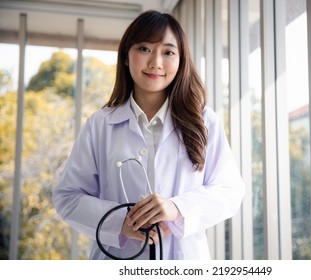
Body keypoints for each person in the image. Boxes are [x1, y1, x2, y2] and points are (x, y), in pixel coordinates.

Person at [53, 10, 245, 260]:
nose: (156, 62)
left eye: (168, 52)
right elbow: (68, 197)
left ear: (181, 60)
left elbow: (229, 190)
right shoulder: (100, 124)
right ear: (125, 56)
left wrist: (176, 208)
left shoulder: (204, 121)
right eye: (144, 48)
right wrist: (120, 222)